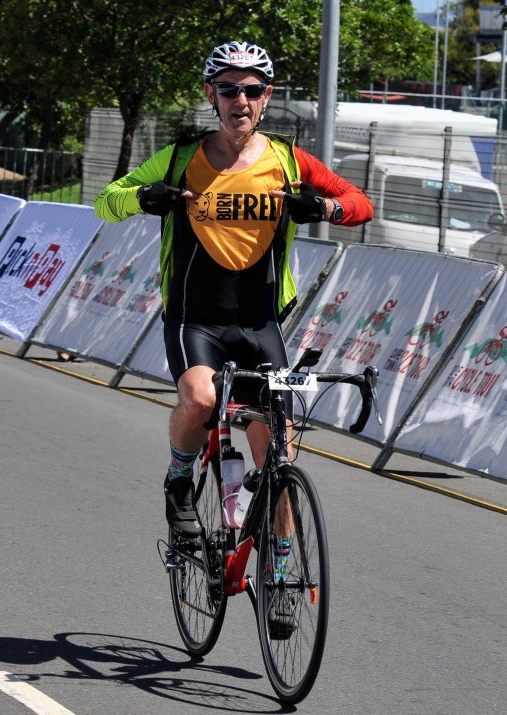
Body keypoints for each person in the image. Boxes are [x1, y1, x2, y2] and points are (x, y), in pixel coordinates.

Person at [94, 41, 373, 538]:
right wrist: (143, 196)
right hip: (194, 317)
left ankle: (282, 572)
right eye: (228, 90)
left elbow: (359, 203)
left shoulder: (289, 162)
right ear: (211, 94)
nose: (240, 100)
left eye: (252, 90)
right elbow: (105, 202)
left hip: (260, 321)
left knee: (278, 453)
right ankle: (179, 479)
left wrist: (324, 209)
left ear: (267, 97)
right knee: (201, 401)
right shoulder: (179, 158)